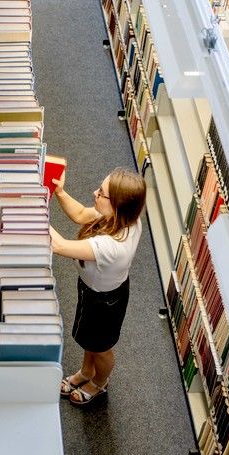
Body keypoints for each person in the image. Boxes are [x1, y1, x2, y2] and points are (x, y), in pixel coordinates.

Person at [49, 167, 146, 406]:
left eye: (101, 193)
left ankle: (99, 384)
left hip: (104, 301)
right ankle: (86, 372)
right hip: (97, 290)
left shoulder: (113, 246)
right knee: (89, 340)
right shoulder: (123, 217)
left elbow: (60, 246)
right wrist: (59, 192)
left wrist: (32, 209)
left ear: (117, 203)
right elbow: (82, 214)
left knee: (101, 347)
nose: (94, 193)